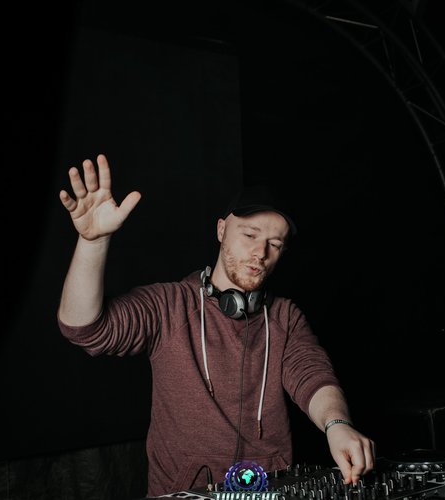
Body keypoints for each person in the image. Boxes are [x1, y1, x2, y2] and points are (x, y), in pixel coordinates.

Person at [57, 153, 375, 498]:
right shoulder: (169, 305)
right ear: (222, 230)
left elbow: (313, 376)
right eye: (250, 234)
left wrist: (336, 424)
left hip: (268, 490)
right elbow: (84, 328)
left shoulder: (285, 316)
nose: (260, 252)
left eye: (275, 244)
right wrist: (93, 242)